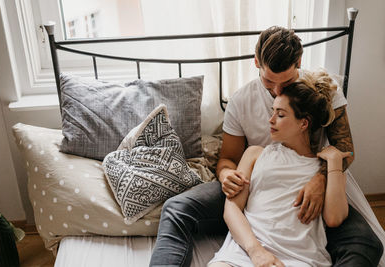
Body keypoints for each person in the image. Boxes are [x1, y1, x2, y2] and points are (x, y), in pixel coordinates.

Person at [149, 26, 383, 267]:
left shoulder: (320, 91)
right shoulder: (242, 101)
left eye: (287, 82)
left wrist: (321, 180)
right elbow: (228, 159)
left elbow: (344, 147)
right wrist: (227, 174)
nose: (277, 91)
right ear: (256, 62)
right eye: (269, 81)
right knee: (177, 209)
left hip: (312, 184)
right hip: (254, 180)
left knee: (367, 244)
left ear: (299, 62)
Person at [208, 71, 351, 267]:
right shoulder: (255, 154)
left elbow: (334, 218)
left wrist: (334, 162)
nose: (271, 119)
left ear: (303, 123)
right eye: (272, 111)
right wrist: (256, 252)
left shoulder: (324, 168)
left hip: (298, 258)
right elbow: (231, 209)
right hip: (244, 253)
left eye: (280, 114)